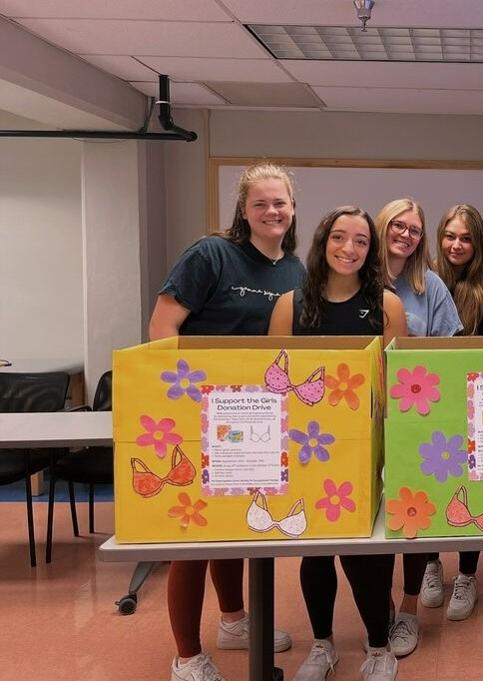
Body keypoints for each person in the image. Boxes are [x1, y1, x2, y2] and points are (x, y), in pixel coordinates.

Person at [149, 162, 303, 681]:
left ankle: (235, 622)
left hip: (259, 421)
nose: (271, 211)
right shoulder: (210, 254)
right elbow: (161, 329)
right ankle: (187, 656)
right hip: (199, 415)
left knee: (238, 521)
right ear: (244, 210)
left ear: (293, 207)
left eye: (279, 202)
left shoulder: (295, 272)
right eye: (260, 203)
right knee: (194, 536)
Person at [268, 206, 406, 681]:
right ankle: (322, 645)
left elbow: (394, 387)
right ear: (323, 242)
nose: (350, 248)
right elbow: (273, 381)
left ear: (371, 250)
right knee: (316, 548)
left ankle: (379, 648)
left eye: (362, 241)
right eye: (340, 238)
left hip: (364, 447)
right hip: (305, 449)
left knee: (367, 551)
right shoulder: (290, 304)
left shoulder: (386, 305)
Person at [375, 198, 462, 657]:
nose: (405, 234)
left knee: (412, 512)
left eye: (414, 229)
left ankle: (408, 607)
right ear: (381, 225)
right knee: (365, 520)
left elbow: (448, 353)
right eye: (397, 225)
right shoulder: (355, 279)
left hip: (415, 415)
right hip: (362, 414)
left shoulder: (431, 287)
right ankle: (379, 605)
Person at [417, 204, 483, 620]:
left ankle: (467, 574)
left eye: (466, 237)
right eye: (450, 235)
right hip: (426, 403)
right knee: (429, 482)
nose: (456, 244)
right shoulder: (422, 281)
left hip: (471, 404)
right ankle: (431, 563)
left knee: (474, 488)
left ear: (478, 243)